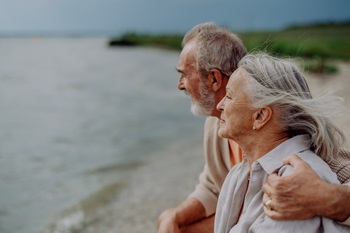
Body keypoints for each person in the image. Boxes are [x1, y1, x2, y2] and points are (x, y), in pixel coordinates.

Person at [157, 22, 350, 233]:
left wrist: (327, 197)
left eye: (184, 74)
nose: (180, 84)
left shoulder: (302, 159)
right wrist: (174, 216)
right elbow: (212, 185)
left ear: (214, 78)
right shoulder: (217, 128)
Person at [214, 53, 350, 232]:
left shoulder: (293, 182)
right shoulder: (238, 174)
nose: (220, 105)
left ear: (260, 116)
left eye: (229, 96)